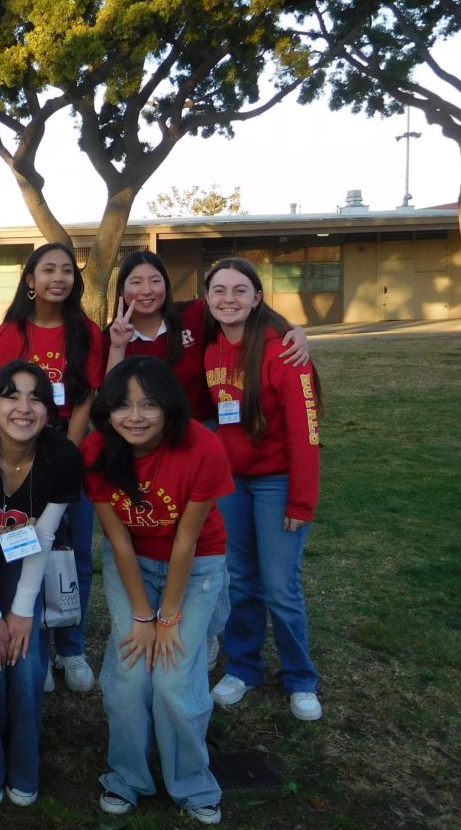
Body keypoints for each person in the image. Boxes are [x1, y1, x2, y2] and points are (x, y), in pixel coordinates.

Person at [103, 249, 310, 668]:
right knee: (205, 557)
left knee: (248, 568)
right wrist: (118, 346)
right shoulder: (113, 333)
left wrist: (295, 329)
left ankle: (285, 667)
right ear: (121, 291)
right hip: (164, 458)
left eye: (154, 280)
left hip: (211, 449)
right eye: (135, 282)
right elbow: (110, 397)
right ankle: (232, 653)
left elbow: (241, 306)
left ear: (168, 284)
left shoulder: (194, 317)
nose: (146, 290)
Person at [84, 357, 230, 825]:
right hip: (133, 564)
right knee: (129, 672)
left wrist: (167, 619)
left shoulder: (203, 447)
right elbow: (119, 540)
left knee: (172, 677)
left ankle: (193, 784)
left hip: (197, 564)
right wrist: (143, 618)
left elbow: (187, 540)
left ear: (169, 406)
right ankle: (127, 777)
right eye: (123, 405)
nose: (136, 416)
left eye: (149, 404)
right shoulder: (96, 453)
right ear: (107, 411)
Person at [0, 360, 80, 806]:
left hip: (26, 554)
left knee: (25, 656)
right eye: (11, 395)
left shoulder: (62, 457)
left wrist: (22, 612)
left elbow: (43, 536)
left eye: (36, 397)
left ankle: (24, 763)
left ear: (49, 410)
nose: (24, 407)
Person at [202, 257, 324, 722]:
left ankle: (300, 677)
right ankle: (244, 667)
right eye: (218, 291)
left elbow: (306, 432)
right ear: (208, 298)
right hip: (233, 483)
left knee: (279, 585)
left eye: (239, 291)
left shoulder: (283, 351)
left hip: (277, 483)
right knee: (240, 579)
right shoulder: (211, 349)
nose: (228, 299)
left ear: (257, 298)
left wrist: (301, 499)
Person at [0, 242, 104, 693]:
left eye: (67, 271)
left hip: (68, 457)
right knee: (24, 552)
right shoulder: (11, 333)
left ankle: (71, 648)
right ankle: (32, 645)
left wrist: (63, 459)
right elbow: (0, 402)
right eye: (48, 270)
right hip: (18, 458)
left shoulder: (86, 332)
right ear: (30, 281)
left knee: (74, 554)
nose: (59, 278)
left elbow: (86, 399)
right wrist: (27, 462)